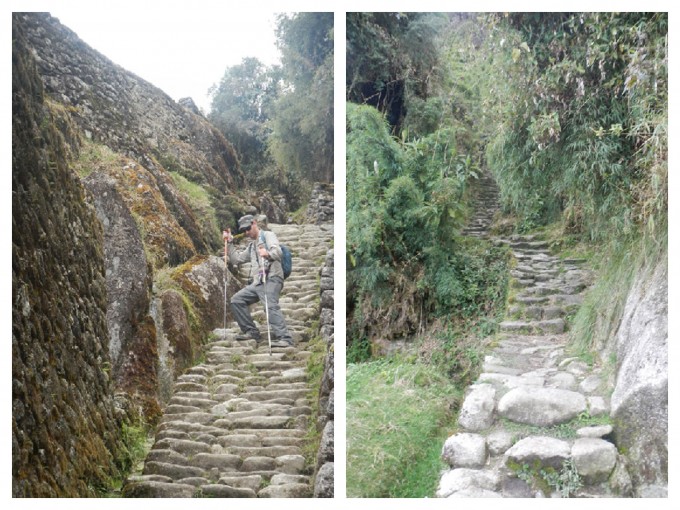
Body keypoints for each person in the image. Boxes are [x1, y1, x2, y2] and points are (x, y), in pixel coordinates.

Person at [223, 214, 294, 348]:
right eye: (244, 230)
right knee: (237, 300)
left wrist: (267, 254)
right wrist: (230, 242)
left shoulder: (268, 235)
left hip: (272, 278)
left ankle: (285, 338)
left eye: (248, 228)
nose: (247, 232)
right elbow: (236, 260)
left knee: (269, 304)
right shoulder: (251, 246)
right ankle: (251, 331)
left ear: (254, 223)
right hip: (258, 282)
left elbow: (278, 252)